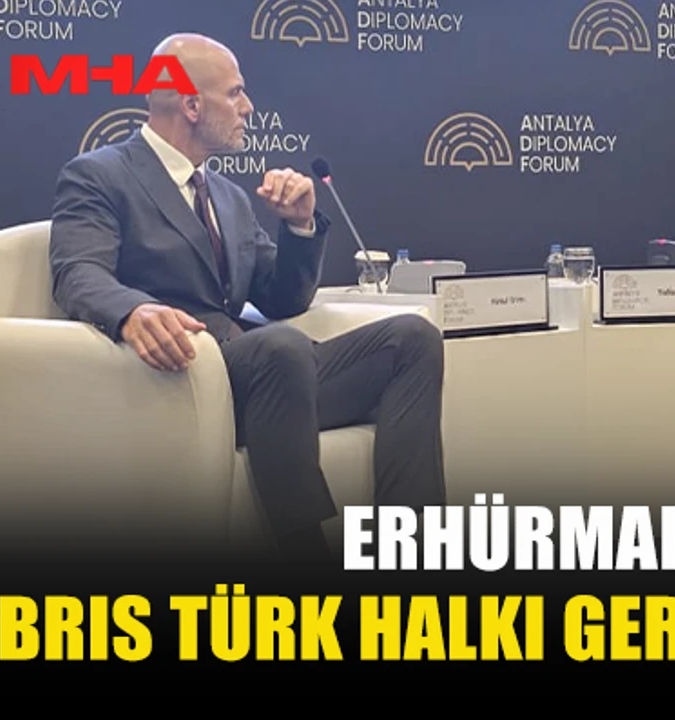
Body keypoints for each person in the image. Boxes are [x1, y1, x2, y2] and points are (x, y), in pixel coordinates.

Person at [49, 33, 446, 562]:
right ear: (191, 105)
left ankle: (410, 543)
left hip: (271, 376)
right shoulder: (100, 175)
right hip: (180, 374)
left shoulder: (227, 196)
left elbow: (282, 299)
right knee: (280, 346)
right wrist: (131, 311)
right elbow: (77, 271)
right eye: (235, 93)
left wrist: (300, 226)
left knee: (413, 338)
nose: (249, 107)